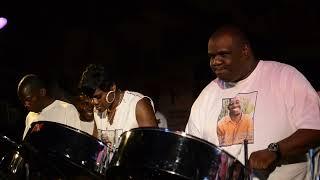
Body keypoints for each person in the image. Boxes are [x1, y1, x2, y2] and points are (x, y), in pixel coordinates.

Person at [185, 25, 320, 179]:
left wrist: (275, 151)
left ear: (245, 50)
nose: (215, 61)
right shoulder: (207, 95)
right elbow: (192, 150)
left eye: (223, 54)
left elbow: (315, 129)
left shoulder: (284, 77)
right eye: (211, 56)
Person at [78, 64, 158, 145]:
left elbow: (154, 145)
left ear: (112, 88)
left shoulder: (138, 104)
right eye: (91, 98)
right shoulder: (98, 110)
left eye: (98, 97)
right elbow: (95, 145)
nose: (94, 102)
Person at [17, 74, 82, 139]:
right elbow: (26, 145)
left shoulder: (67, 110)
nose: (25, 104)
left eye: (28, 99)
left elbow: (76, 143)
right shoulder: (30, 117)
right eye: (23, 101)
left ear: (42, 92)